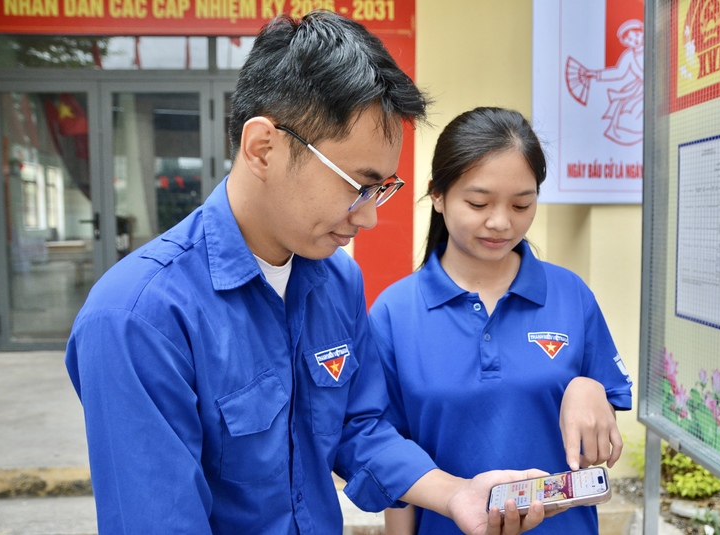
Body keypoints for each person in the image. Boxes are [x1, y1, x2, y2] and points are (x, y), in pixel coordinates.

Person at [65, 13, 548, 535]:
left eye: (381, 189)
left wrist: (455, 493)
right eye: (357, 185)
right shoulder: (139, 318)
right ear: (263, 148)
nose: (369, 216)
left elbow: (357, 426)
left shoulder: (335, 281)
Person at [369, 107, 634, 534]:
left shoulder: (571, 295)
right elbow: (390, 455)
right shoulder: (394, 313)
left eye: (521, 204)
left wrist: (591, 389)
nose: (500, 222)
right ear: (437, 195)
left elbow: (594, 447)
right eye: (478, 203)